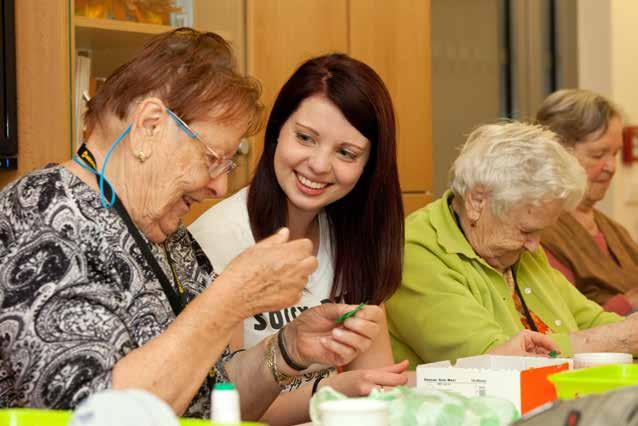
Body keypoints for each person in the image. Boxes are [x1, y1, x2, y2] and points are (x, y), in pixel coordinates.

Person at [0, 29, 384, 420]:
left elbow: (210, 400)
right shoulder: (44, 216)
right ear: (149, 127)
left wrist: (288, 349)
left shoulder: (163, 233)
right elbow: (95, 413)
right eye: (212, 158)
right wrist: (230, 299)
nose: (220, 186)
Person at [190, 55, 557, 424]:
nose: (319, 164)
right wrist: (335, 391)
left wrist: (489, 370)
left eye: (345, 153)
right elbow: (223, 403)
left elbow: (380, 384)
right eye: (305, 138)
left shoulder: (352, 238)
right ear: (275, 134)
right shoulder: (217, 240)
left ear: (368, 167)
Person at [385, 121, 638, 367]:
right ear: (477, 201)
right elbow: (492, 360)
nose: (535, 246)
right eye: (525, 230)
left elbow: (591, 320)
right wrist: (619, 339)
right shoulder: (417, 254)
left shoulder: (515, 250)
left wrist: (626, 333)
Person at [536, 89, 638, 316]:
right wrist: (629, 303)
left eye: (615, 153)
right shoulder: (538, 234)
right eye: (598, 154)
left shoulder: (616, 231)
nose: (611, 167)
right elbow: (558, 320)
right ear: (558, 152)